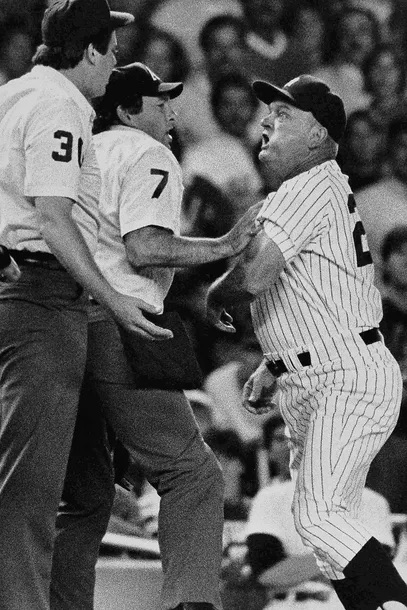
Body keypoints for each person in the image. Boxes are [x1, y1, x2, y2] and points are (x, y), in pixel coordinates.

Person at [206, 73, 407, 609]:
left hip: (343, 375)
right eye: (269, 113)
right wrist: (274, 364)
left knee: (319, 516)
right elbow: (315, 292)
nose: (266, 122)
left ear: (319, 136)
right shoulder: (321, 188)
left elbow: (254, 276)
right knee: (322, 526)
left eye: (285, 115)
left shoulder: (308, 184)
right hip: (326, 367)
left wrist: (214, 294)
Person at [0, 2, 173, 609]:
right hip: (42, 299)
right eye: (113, 50)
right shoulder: (62, 104)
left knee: (70, 484)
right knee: (29, 488)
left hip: (17, 285)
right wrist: (113, 298)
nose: (115, 62)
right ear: (91, 51)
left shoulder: (11, 93)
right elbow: (53, 218)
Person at [73, 60, 261, 610]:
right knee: (193, 475)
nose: (172, 114)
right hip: (121, 324)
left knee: (84, 492)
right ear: (128, 111)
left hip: (66, 324)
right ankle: (191, 604)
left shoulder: (81, 151)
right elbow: (144, 247)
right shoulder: (145, 151)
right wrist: (224, 244)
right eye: (159, 103)